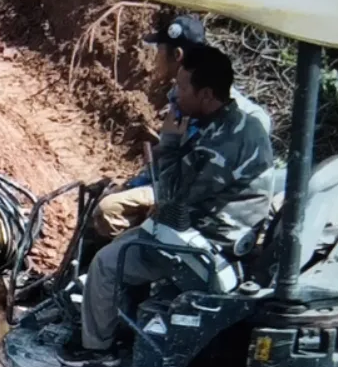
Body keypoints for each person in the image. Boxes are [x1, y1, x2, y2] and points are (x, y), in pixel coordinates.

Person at [64, 44, 274, 367]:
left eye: (181, 87)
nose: (175, 94)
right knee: (130, 237)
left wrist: (171, 139)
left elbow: (172, 196)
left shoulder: (220, 143)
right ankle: (118, 322)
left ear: (205, 94)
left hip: (207, 248)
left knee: (106, 263)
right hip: (223, 237)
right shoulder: (240, 125)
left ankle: (97, 350)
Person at [92, 13, 272, 241]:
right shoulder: (182, 100)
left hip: (204, 211)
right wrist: (134, 183)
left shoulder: (245, 116)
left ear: (177, 56)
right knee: (101, 194)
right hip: (177, 187)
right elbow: (167, 154)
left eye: (159, 52)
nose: (153, 60)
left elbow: (193, 183)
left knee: (109, 210)